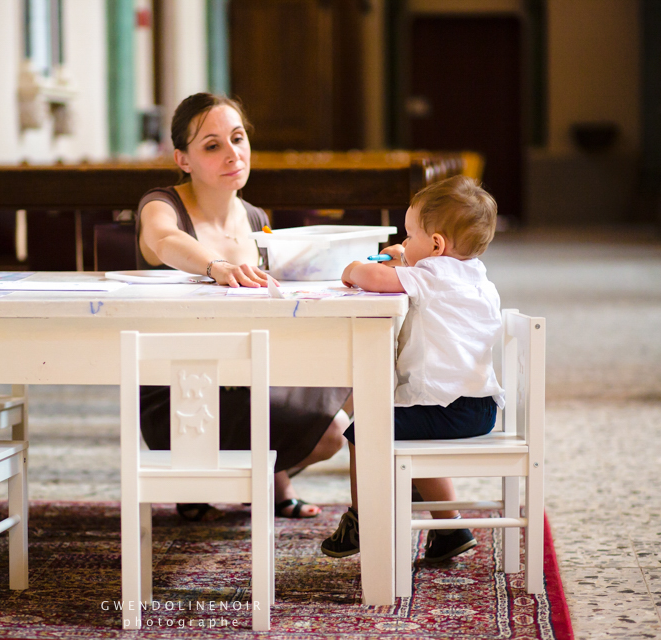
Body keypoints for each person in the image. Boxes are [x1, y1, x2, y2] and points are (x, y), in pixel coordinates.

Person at [136, 92, 351, 520]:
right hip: (181, 392)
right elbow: (164, 240)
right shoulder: (163, 204)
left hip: (247, 376)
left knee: (352, 390)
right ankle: (249, 481)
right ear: (183, 160)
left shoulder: (255, 218)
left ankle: (268, 484)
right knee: (329, 429)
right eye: (212, 145)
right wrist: (216, 266)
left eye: (238, 138)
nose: (233, 153)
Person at [321, 174, 504, 563]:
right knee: (406, 422)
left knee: (365, 427)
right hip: (478, 407)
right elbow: (428, 277)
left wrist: (353, 268)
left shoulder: (432, 276)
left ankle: (361, 518)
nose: (404, 242)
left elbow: (372, 278)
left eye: (410, 234)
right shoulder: (473, 275)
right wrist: (407, 259)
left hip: (451, 408)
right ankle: (450, 528)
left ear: (436, 245)